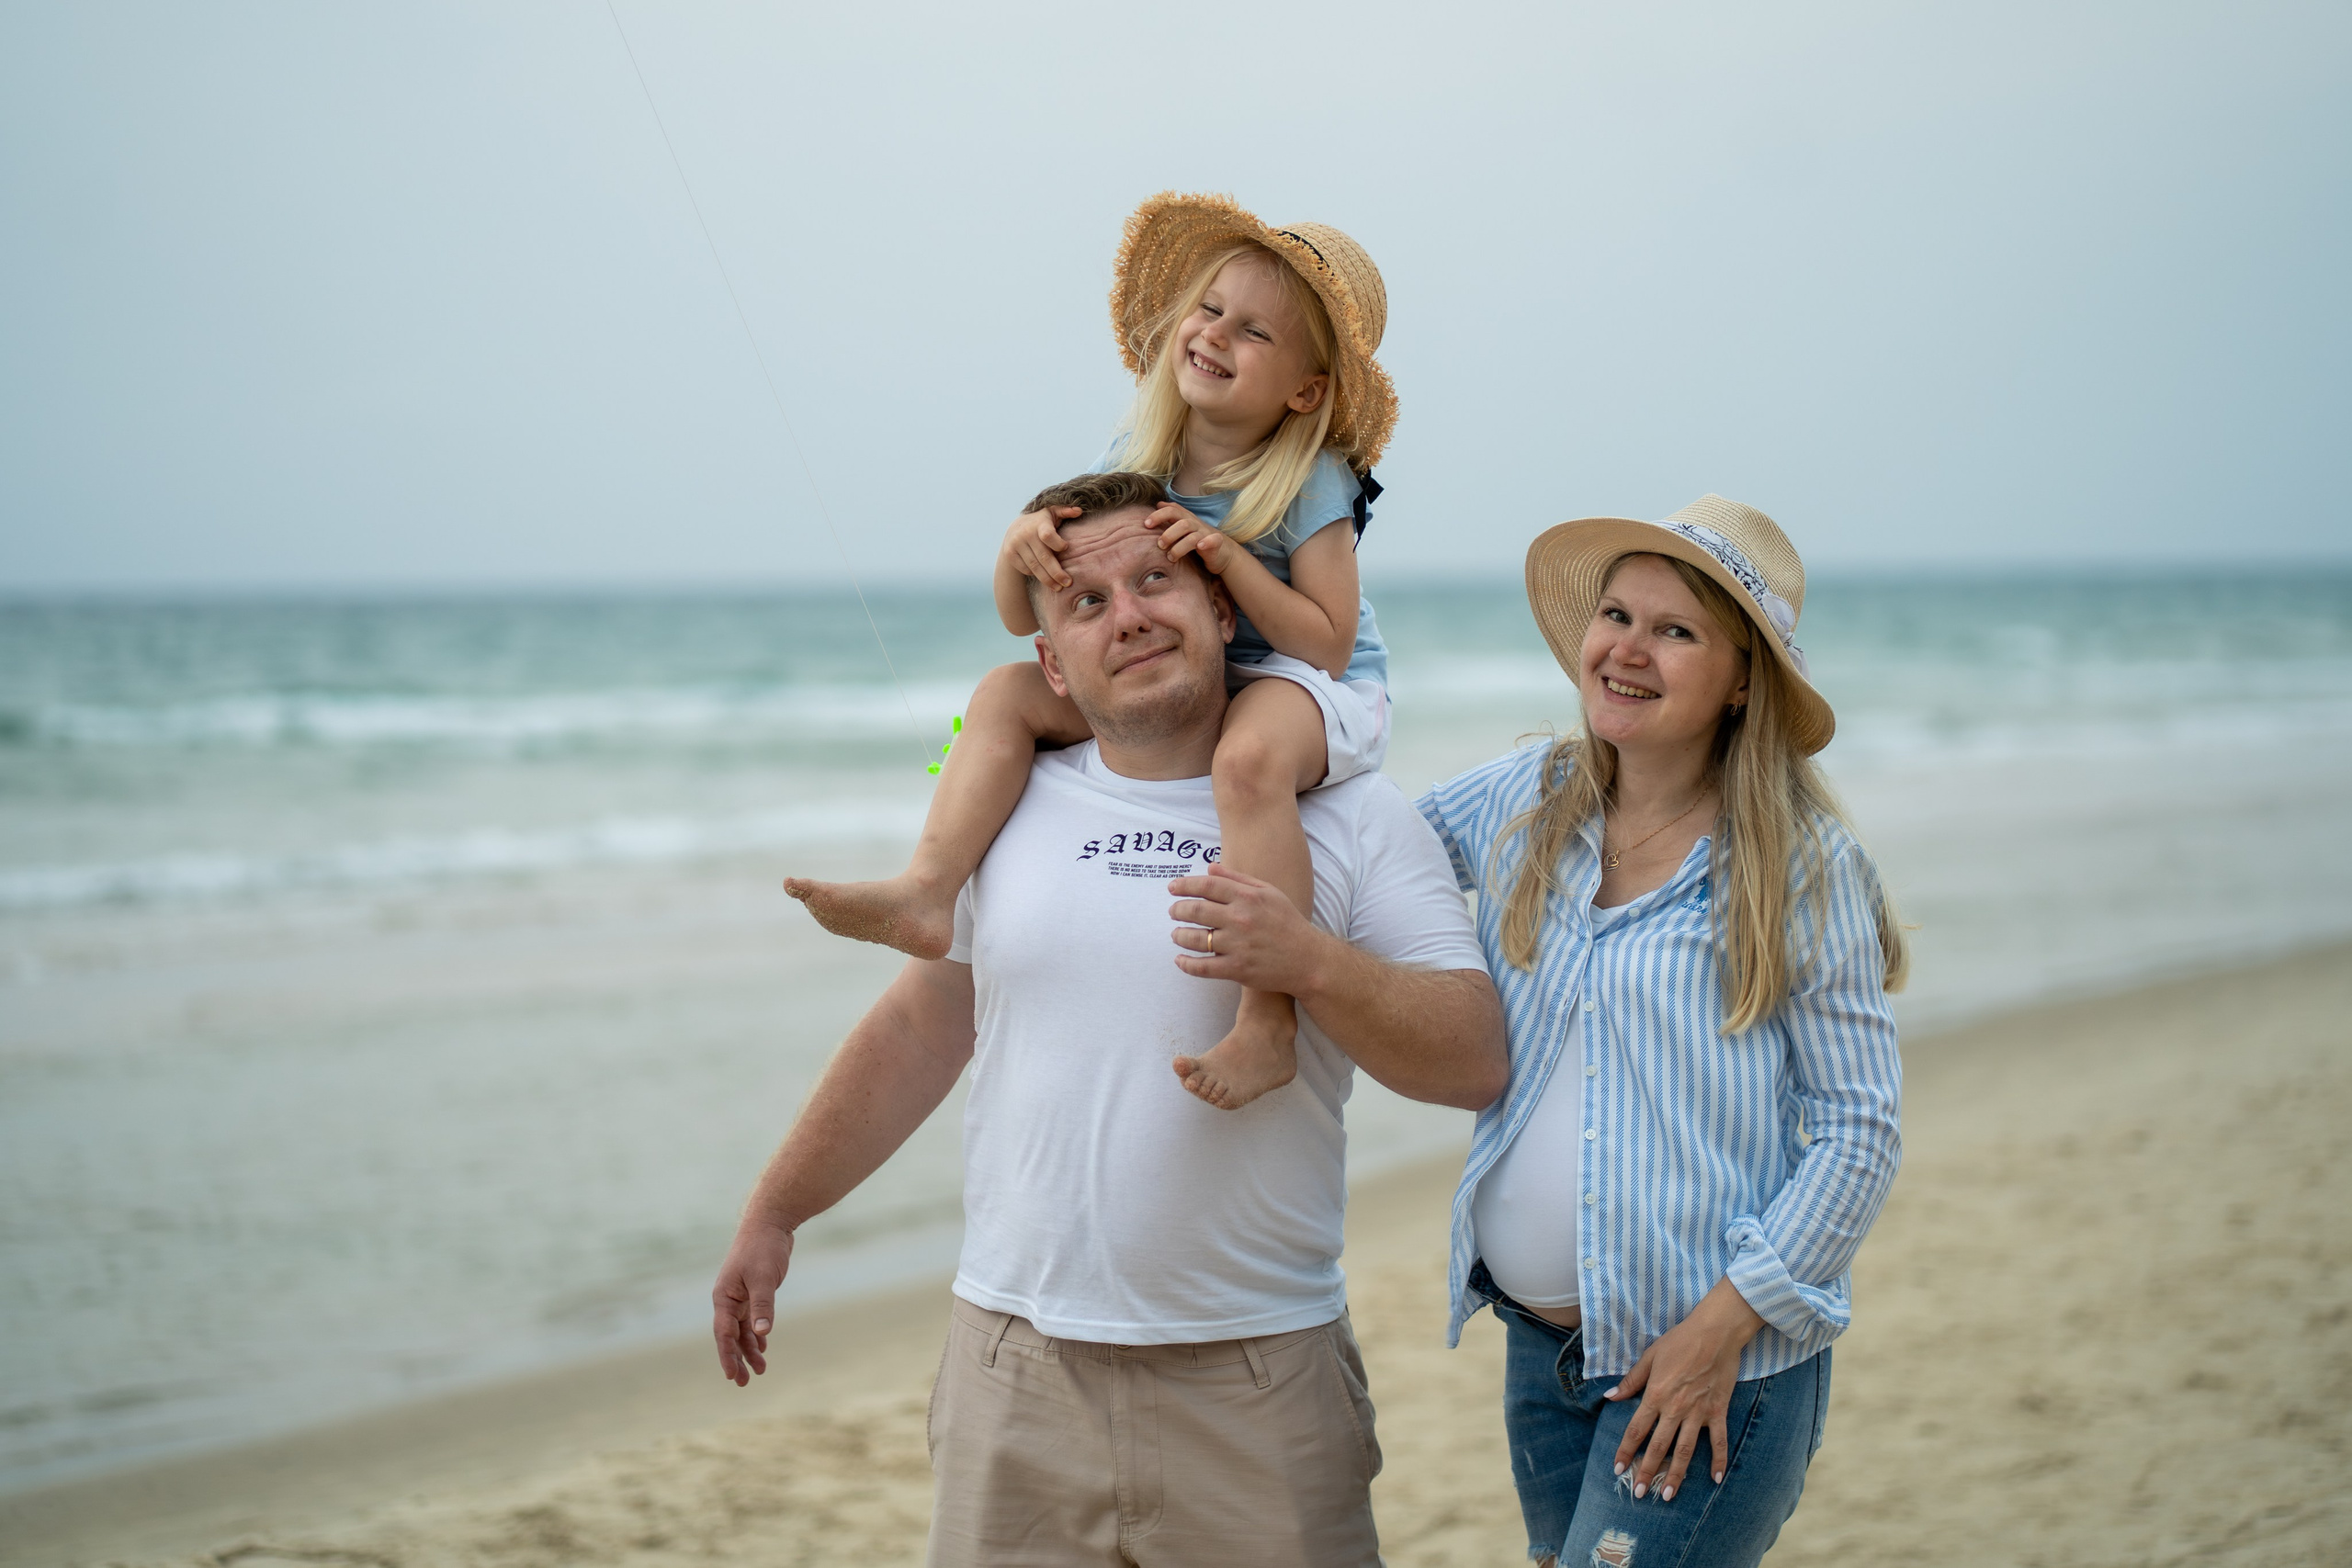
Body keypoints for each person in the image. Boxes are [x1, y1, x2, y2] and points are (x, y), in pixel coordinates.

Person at [715, 471, 1507, 1567]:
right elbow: (921, 1029)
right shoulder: (1006, 797)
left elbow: (1473, 1058)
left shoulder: (1352, 816)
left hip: (1258, 1377)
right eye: (1086, 603)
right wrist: (775, 1212)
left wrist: (1311, 965)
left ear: (1222, 608)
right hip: (1013, 1372)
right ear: (1049, 662)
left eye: (1155, 581)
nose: (1128, 615)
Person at [786, 192, 1397, 1111]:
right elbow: (1016, 619)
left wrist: (1227, 555)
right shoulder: (1139, 451)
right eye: (1210, 310)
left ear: (1305, 390)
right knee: (1002, 694)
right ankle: (927, 888)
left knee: (1247, 760)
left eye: (1256, 334)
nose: (1218, 336)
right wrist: (1014, 550)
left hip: (1309, 685)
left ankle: (1267, 1018)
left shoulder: (1310, 478)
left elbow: (1327, 637)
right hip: (1202, 669)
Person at [1415, 496, 1906, 1568]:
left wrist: (1720, 1328)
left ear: (1741, 680)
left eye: (1674, 631)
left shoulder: (1800, 865)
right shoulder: (1524, 800)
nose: (1627, 651)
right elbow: (1365, 851)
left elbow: (1859, 1132)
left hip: (1709, 1365)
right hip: (1539, 1357)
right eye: (1616, 616)